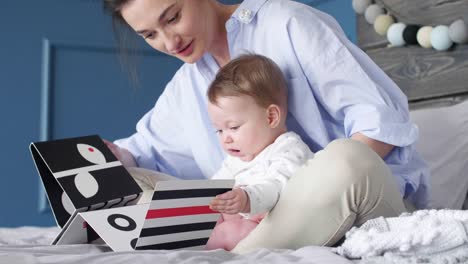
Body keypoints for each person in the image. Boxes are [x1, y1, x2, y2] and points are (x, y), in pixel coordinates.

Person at [102, 0, 429, 252]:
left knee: (346, 157)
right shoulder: (184, 87)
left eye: (172, 18)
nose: (169, 42)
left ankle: (240, 254)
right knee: (123, 181)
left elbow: (379, 123)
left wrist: (285, 198)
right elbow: (143, 151)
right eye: (149, 35)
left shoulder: (286, 23)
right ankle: (250, 245)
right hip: (255, 218)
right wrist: (107, 157)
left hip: (361, 203)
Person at [204, 54, 314, 250]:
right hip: (238, 219)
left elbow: (276, 186)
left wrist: (247, 199)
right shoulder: (237, 158)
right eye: (219, 130)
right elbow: (216, 185)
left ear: (271, 117)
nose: (225, 138)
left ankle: (205, 250)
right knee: (208, 216)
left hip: (268, 225)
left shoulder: (288, 149)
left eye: (234, 127)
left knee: (230, 232)